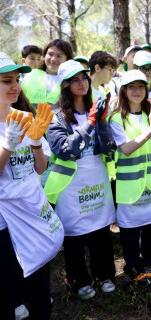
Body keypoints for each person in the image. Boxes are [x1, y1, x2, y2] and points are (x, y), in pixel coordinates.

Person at [44, 59, 117, 300]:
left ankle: (105, 274)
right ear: (64, 85)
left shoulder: (95, 108)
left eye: (84, 78)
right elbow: (65, 149)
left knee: (100, 229)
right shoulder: (56, 117)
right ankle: (79, 280)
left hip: (96, 178)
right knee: (74, 235)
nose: (82, 83)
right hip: (70, 185)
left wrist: (103, 121)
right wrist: (90, 122)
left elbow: (109, 148)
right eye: (75, 79)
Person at [0, 52, 62, 320]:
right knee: (8, 284)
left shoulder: (25, 117)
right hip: (5, 222)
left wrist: (36, 144)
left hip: (33, 211)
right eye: (6, 80)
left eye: (17, 79)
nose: (15, 86)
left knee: (40, 284)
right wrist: (8, 144)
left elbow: (40, 168)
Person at [109, 70, 151, 278]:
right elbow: (126, 149)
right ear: (124, 91)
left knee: (150, 227)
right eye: (131, 87)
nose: (137, 91)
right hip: (130, 185)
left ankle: (148, 265)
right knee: (129, 229)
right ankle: (133, 266)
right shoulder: (117, 118)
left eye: (141, 86)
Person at [22, 39, 74, 107]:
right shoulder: (31, 76)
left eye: (59, 56)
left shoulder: (71, 81)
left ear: (67, 59)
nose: (53, 59)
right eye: (50, 54)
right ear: (44, 55)